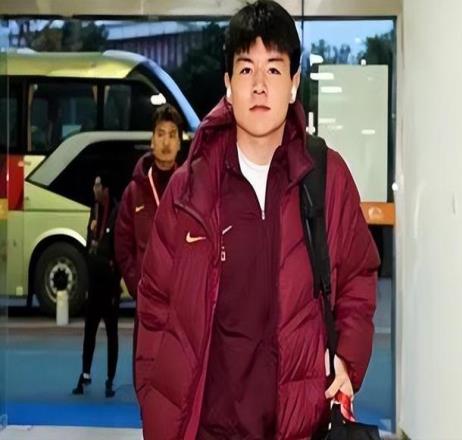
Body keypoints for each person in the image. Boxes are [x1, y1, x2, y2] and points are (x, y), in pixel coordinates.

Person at [134, 1, 380, 438]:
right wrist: (156, 401)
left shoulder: (327, 178)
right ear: (228, 84)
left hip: (300, 426)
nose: (260, 86)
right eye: (247, 69)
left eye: (274, 69)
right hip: (210, 428)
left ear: (294, 84)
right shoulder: (190, 190)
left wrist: (348, 357)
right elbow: (154, 305)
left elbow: (359, 276)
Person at [114, 103, 182, 299]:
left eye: (172, 135)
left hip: (181, 299)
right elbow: (122, 244)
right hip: (147, 298)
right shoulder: (134, 191)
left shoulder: (190, 188)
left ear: (179, 143)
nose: (166, 142)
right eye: (160, 134)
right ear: (152, 141)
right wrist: (136, 284)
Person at [72, 173, 121, 398]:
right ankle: (85, 373)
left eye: (97, 185)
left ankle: (110, 378)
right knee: (89, 331)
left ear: (106, 188)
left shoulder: (117, 212)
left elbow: (119, 249)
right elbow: (88, 243)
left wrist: (113, 272)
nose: (94, 188)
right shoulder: (94, 210)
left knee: (112, 333)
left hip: (109, 286)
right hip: (94, 281)